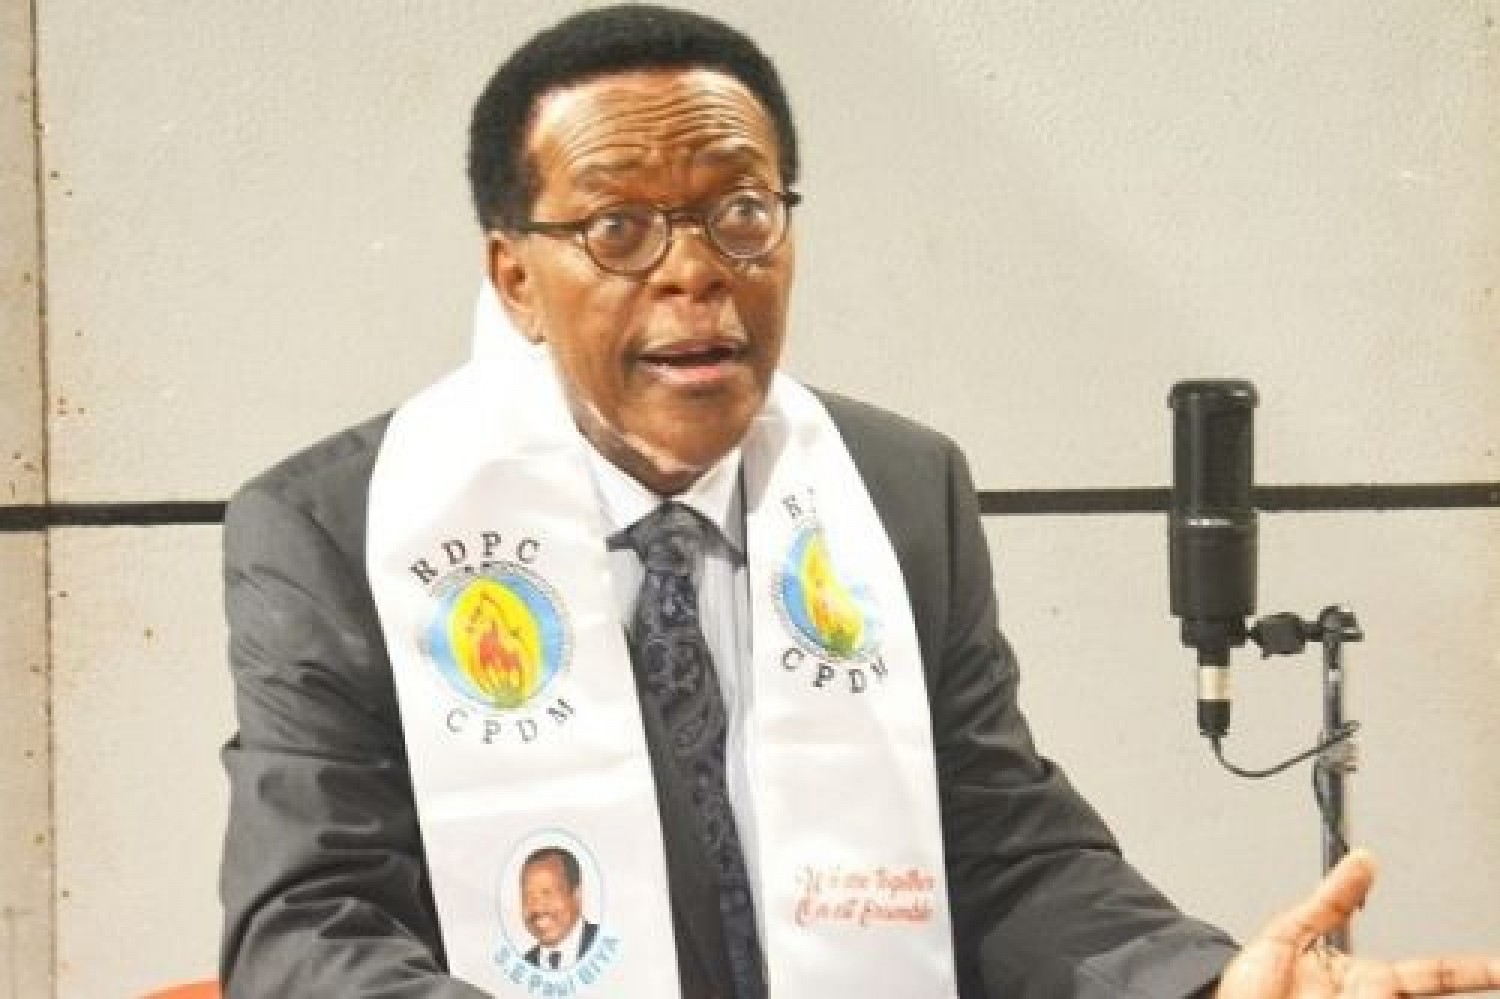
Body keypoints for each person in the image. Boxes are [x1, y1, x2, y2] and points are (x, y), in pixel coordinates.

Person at [218, 5, 1500, 998]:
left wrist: (1205, 985)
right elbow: (309, 922)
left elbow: (1003, 853)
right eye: (619, 229)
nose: (695, 274)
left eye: (741, 212)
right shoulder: (346, 528)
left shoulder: (895, 489)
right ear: (513, 278)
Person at [518, 847, 598, 971]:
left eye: (548, 894)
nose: (538, 907)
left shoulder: (605, 947)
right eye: (528, 897)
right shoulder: (522, 967)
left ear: (576, 895)